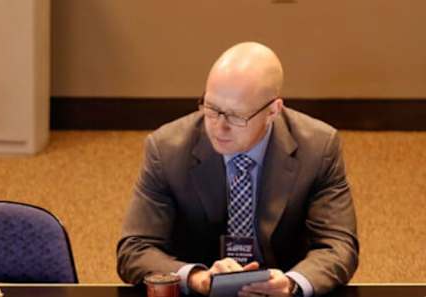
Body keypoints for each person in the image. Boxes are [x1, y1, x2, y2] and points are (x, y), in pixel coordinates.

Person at [117, 42, 359, 297]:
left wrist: (292, 283)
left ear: (273, 111)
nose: (219, 127)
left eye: (236, 116)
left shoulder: (319, 147)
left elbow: (339, 245)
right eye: (211, 108)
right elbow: (135, 249)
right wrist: (198, 278)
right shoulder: (166, 148)